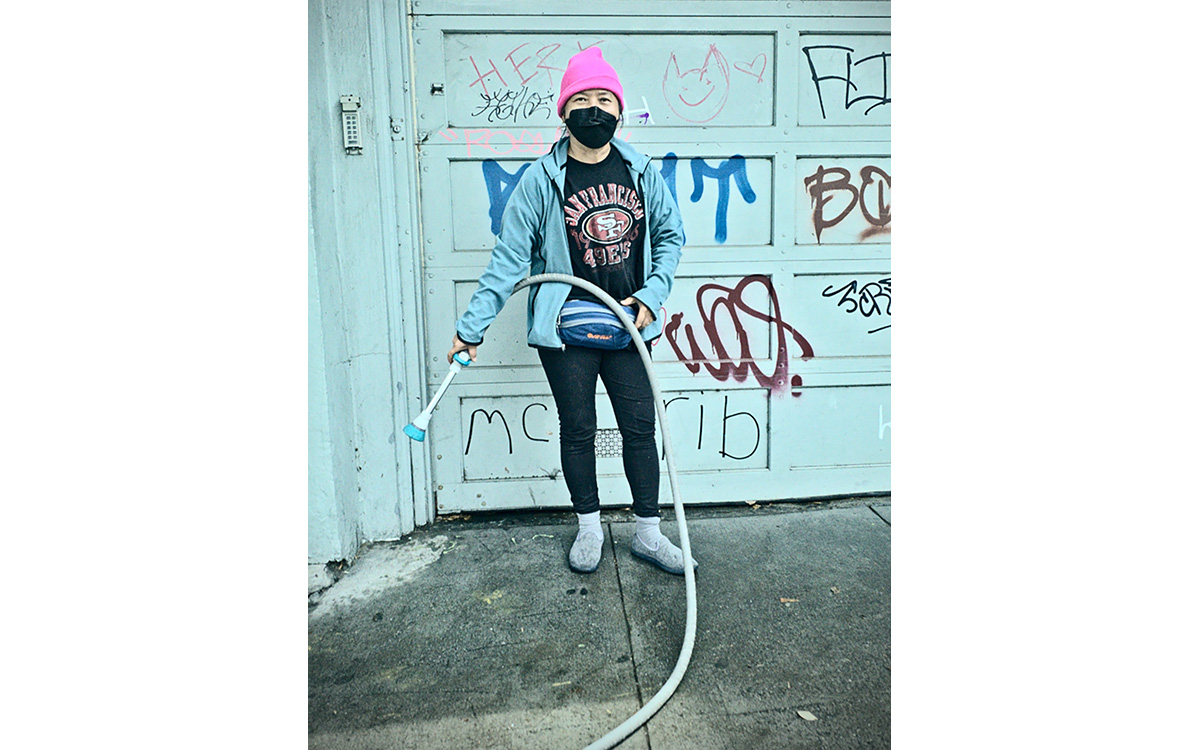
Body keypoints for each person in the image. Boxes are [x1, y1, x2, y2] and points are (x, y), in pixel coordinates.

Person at [447, 47, 695, 576]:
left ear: (620, 111)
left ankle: (648, 534)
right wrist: (470, 331)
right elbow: (508, 261)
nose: (595, 109)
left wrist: (650, 299)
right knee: (578, 428)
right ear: (564, 111)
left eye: (605, 99)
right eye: (582, 99)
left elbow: (671, 238)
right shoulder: (540, 180)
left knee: (638, 428)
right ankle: (588, 527)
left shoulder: (640, 170)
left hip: (630, 326)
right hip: (566, 329)